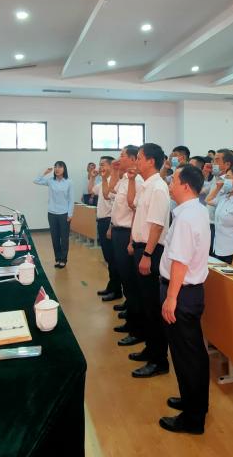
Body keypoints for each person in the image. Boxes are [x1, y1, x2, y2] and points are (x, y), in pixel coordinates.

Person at [158, 165, 211, 434]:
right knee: (191, 353)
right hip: (189, 292)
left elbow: (180, 261)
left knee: (187, 356)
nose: (170, 184)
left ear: (186, 186)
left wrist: (171, 298)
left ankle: (192, 419)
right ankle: (193, 402)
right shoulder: (196, 210)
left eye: (174, 180)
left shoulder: (187, 218)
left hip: (181, 293)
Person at [129, 143, 171, 378]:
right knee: (146, 305)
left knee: (153, 307)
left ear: (151, 161)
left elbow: (157, 226)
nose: (136, 161)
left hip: (151, 252)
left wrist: (146, 255)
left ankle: (159, 360)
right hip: (142, 248)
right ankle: (150, 349)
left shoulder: (158, 188)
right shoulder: (146, 186)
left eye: (139, 158)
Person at [110, 146, 144, 347]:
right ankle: (131, 322)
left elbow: (135, 212)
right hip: (118, 231)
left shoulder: (137, 181)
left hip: (127, 234)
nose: (119, 158)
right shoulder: (125, 178)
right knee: (126, 281)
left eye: (122, 155)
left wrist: (131, 240)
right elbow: (111, 192)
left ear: (132, 159)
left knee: (132, 284)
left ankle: (136, 329)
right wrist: (115, 171)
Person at [33, 161, 74, 268]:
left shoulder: (69, 182)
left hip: (64, 214)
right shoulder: (51, 181)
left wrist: (70, 214)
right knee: (55, 238)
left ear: (64, 169)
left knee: (64, 238)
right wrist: (45, 173)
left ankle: (63, 259)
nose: (57, 169)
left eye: (59, 167)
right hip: (51, 213)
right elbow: (36, 180)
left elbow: (71, 200)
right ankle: (58, 258)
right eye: (55, 167)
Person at [94, 156, 121, 301]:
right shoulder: (104, 181)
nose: (101, 167)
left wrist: (111, 226)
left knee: (113, 259)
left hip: (109, 222)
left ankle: (116, 290)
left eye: (103, 165)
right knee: (109, 258)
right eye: (100, 165)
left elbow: (114, 208)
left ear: (111, 166)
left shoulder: (114, 182)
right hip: (102, 222)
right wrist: (93, 177)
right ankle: (111, 286)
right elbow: (91, 190)